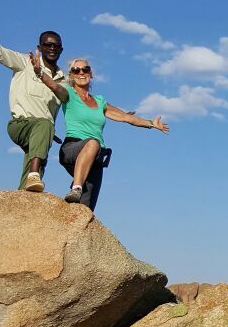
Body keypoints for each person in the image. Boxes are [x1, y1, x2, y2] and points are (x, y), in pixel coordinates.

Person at [30, 53, 169, 210]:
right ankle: (76, 187)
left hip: (95, 158)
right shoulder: (69, 93)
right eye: (76, 70)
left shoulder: (100, 101)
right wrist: (40, 72)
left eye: (85, 69)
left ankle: (74, 201)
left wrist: (151, 123)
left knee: (86, 209)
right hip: (72, 148)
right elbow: (54, 86)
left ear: (91, 73)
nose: (81, 73)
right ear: (71, 75)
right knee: (92, 143)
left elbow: (126, 117)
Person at [0, 6, 66, 192]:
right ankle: (34, 174)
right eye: (47, 44)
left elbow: (70, 105)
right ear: (39, 47)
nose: (52, 48)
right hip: (20, 125)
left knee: (34, 176)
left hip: (41, 133)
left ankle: (23, 198)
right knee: (42, 137)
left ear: (61, 50)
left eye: (55, 46)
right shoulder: (25, 62)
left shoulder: (62, 81)